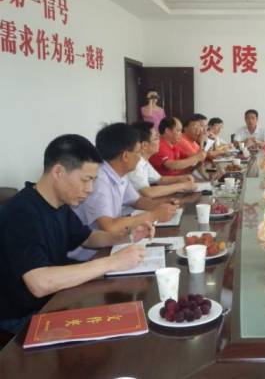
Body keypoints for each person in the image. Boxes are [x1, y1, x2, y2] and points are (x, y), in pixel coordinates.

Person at [0, 135, 149, 335]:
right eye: (85, 180)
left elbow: (87, 238)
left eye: (93, 181)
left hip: (56, 300)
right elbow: (40, 283)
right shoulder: (21, 213)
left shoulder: (59, 203)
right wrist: (112, 262)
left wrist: (127, 236)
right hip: (23, 318)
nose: (90, 189)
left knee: (131, 315)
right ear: (58, 172)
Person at [74, 123, 177, 240]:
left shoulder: (118, 172)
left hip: (113, 240)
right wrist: (153, 215)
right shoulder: (99, 180)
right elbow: (109, 227)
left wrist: (162, 205)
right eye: (138, 152)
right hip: (94, 248)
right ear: (125, 156)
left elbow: (136, 201)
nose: (140, 157)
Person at [128, 121, 196, 198]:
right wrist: (182, 186)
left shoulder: (143, 160)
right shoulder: (135, 164)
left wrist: (181, 178)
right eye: (156, 138)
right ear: (144, 145)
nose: (159, 141)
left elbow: (160, 180)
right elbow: (148, 192)